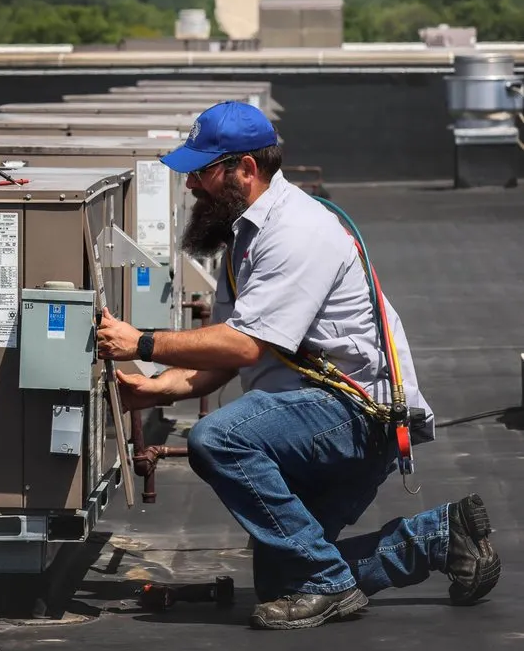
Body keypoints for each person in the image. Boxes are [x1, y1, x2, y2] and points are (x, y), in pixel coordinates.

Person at [97, 101, 501, 630]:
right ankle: (439, 538)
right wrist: (155, 390)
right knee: (282, 579)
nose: (192, 185)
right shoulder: (247, 237)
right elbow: (217, 351)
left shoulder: (297, 232)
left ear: (245, 169)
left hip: (355, 417)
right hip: (316, 417)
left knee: (220, 439)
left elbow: (243, 348)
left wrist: (142, 343)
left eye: (201, 172)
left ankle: (328, 582)